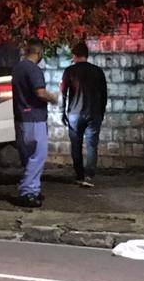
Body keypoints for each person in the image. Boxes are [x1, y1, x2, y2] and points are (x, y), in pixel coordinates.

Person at [12, 38, 58, 208]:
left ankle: (34, 189)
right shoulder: (34, 70)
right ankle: (27, 192)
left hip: (21, 118)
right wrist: (53, 98)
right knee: (37, 156)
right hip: (35, 118)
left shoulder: (17, 68)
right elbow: (40, 92)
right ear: (39, 53)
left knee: (28, 156)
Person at [60, 41, 107, 187]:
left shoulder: (69, 71)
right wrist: (101, 112)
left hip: (75, 113)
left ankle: (79, 175)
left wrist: (63, 112)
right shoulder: (98, 71)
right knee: (92, 145)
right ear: (87, 55)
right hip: (94, 113)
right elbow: (104, 95)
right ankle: (89, 176)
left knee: (76, 145)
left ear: (74, 55)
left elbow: (63, 93)